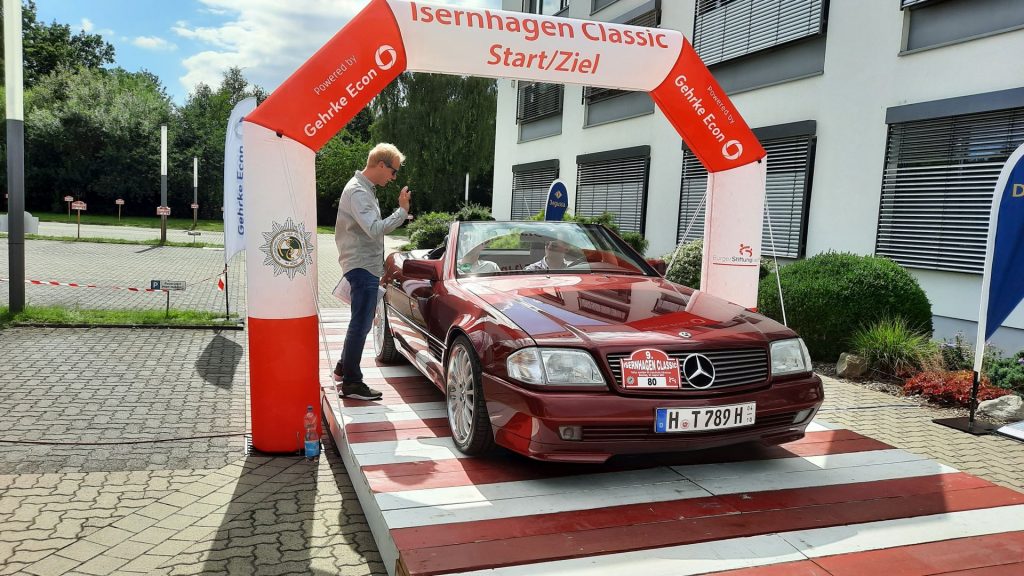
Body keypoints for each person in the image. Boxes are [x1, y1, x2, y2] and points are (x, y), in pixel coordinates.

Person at [333, 143, 411, 401]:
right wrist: (402, 212)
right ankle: (352, 383)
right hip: (361, 265)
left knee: (361, 321)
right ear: (380, 165)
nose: (394, 177)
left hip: (363, 264)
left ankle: (344, 368)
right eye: (393, 171)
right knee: (361, 323)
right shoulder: (358, 191)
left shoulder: (364, 189)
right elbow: (375, 229)